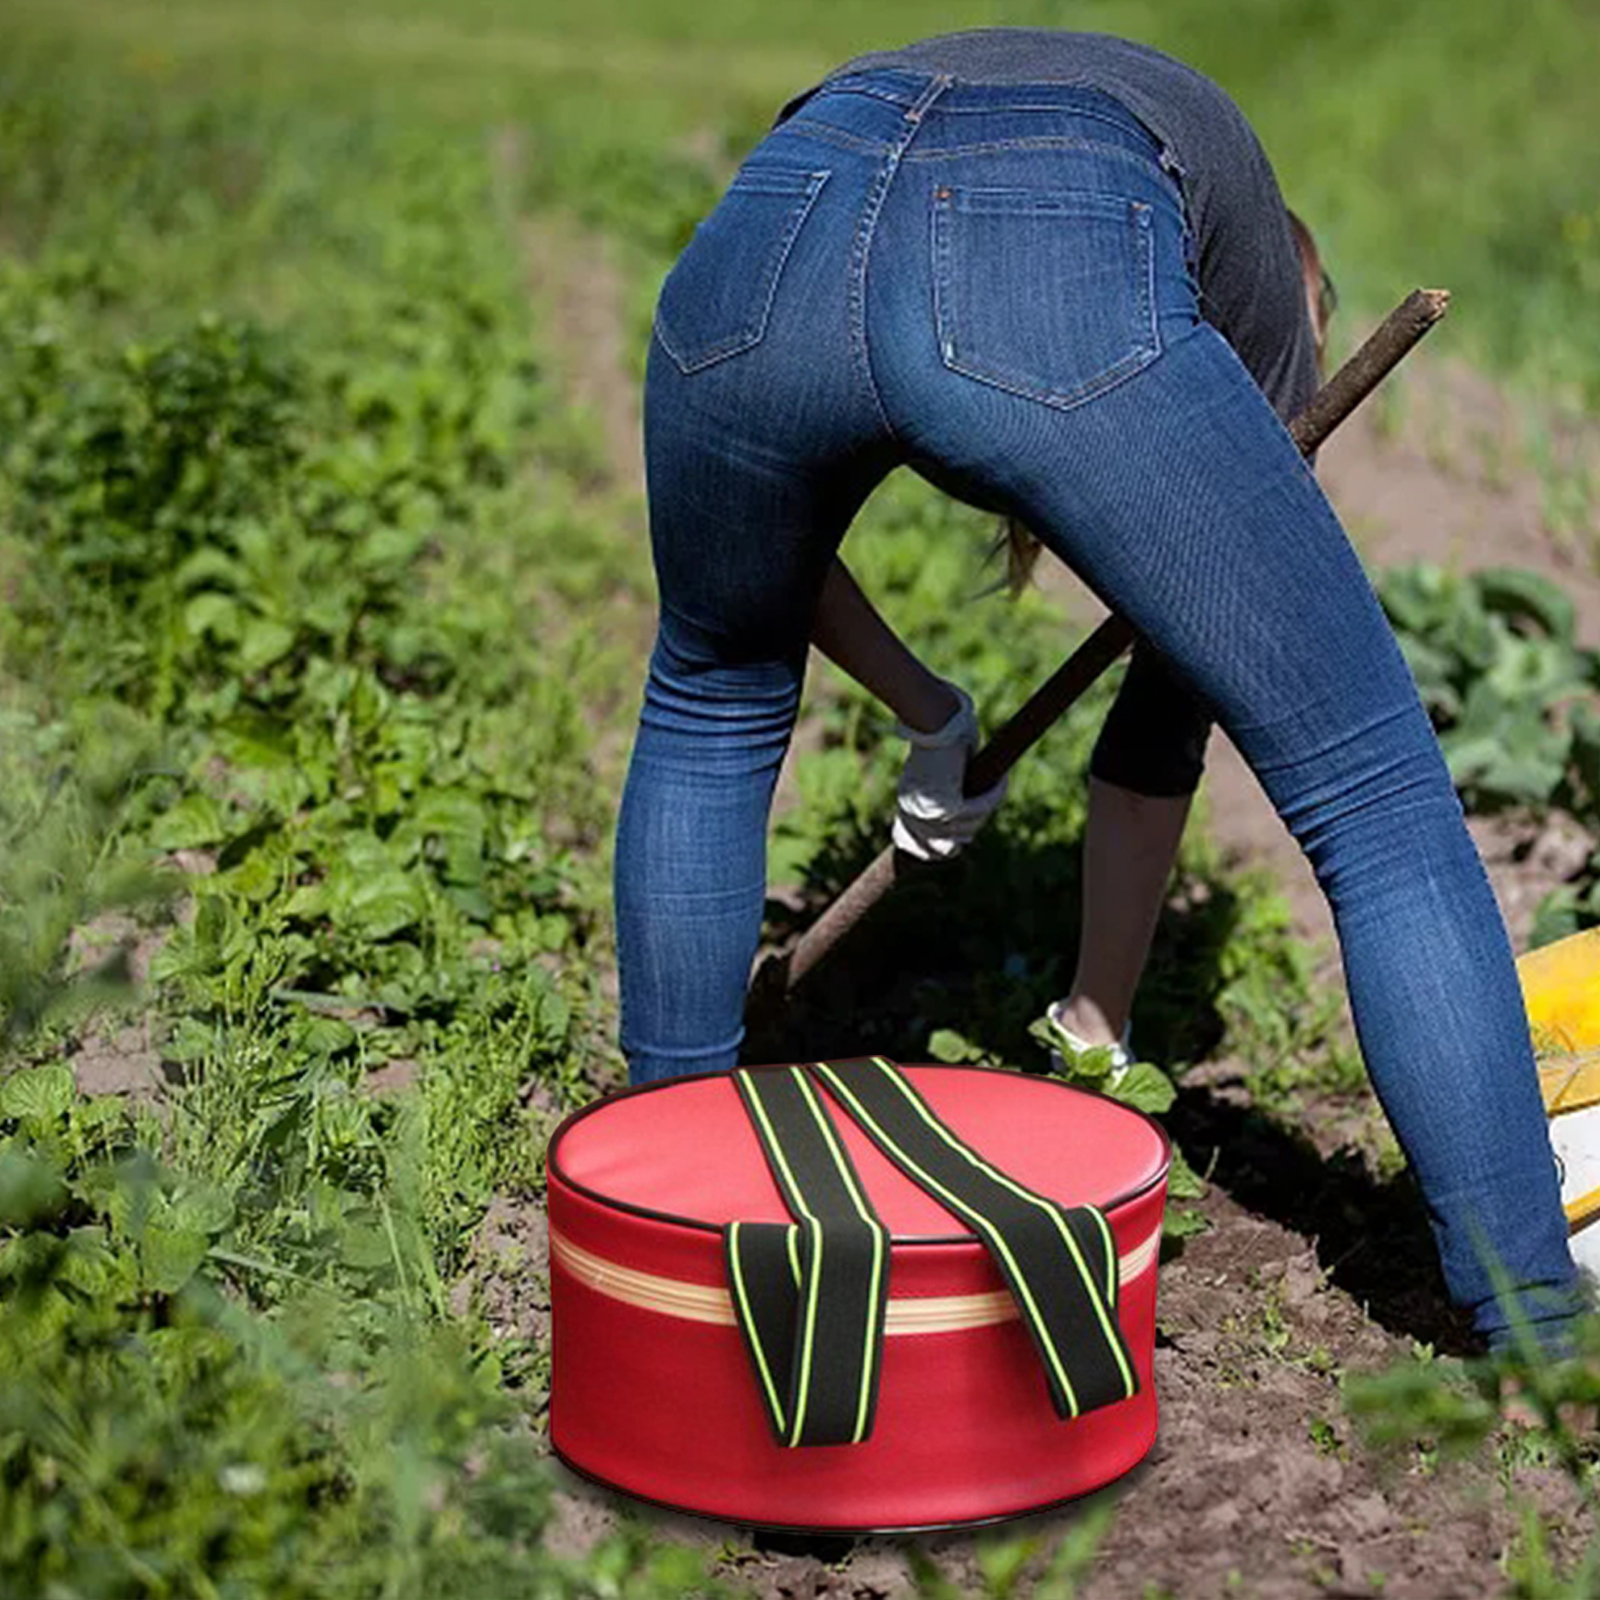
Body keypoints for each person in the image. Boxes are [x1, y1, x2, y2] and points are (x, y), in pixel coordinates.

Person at [613, 28, 1582, 1352]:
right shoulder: (1247, 297)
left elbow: (761, 591)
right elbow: (1170, 711)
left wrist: (930, 712)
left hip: (781, 210)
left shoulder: (1136, 145)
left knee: (709, 706)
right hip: (1047, 234)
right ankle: (1543, 1325)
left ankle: (659, 1230)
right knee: (1375, 796)